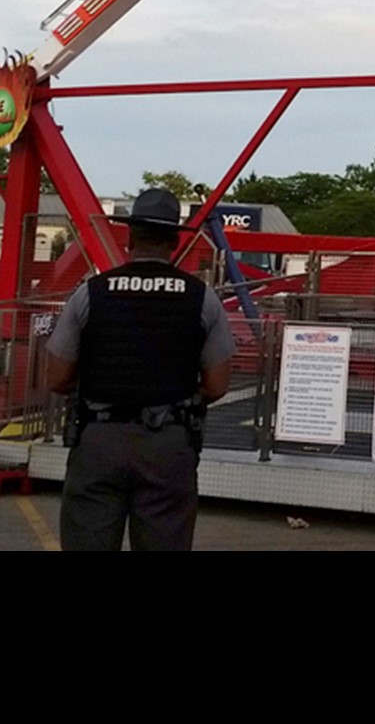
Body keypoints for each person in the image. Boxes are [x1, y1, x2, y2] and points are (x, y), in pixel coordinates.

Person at [44, 189, 233, 552]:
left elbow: (57, 377)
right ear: (175, 241)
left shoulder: (90, 293)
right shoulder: (201, 297)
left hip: (99, 440)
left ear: (130, 238)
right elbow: (217, 383)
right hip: (169, 444)